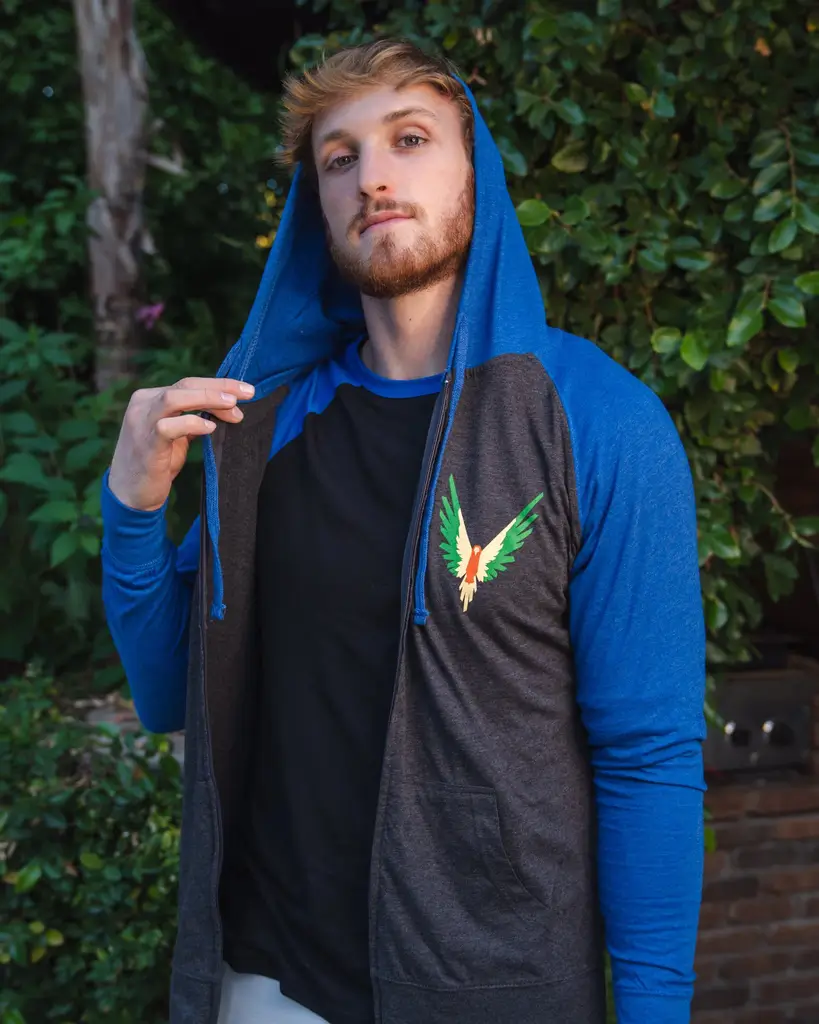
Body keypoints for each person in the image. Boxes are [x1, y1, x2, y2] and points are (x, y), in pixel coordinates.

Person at [101, 38, 706, 1024]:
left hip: (497, 989)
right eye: (338, 158)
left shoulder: (598, 422)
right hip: (272, 984)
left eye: (410, 138)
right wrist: (130, 509)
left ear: (478, 172)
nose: (372, 176)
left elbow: (647, 754)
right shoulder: (264, 426)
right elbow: (172, 691)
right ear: (316, 203)